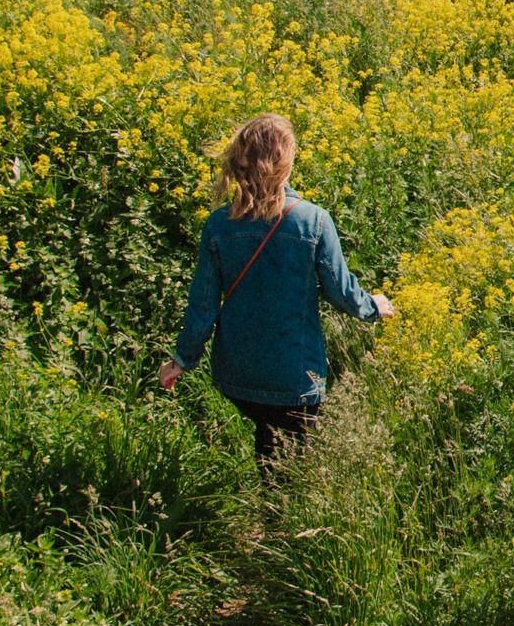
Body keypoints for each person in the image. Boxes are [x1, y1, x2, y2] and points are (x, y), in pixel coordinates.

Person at [160, 112, 393, 465]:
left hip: (237, 372)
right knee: (293, 459)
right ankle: (283, 515)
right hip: (294, 375)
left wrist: (182, 359)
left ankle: (269, 507)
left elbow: (202, 305)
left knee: (270, 439)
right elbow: (341, 292)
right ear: (284, 162)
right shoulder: (313, 220)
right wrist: (373, 306)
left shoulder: (218, 225)